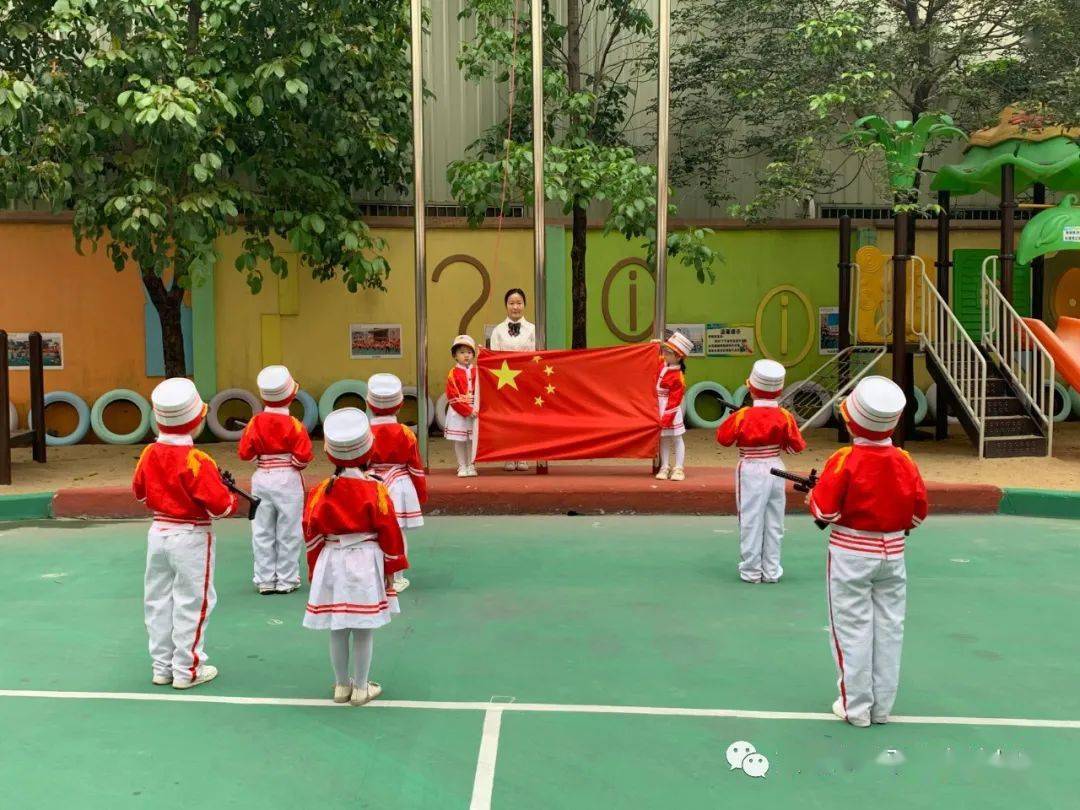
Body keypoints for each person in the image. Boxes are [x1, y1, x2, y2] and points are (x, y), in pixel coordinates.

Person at [808, 376, 927, 728]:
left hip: (851, 553)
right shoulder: (905, 460)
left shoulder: (845, 459)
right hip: (894, 553)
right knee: (890, 629)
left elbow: (824, 512)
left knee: (851, 628)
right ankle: (882, 707)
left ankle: (856, 707)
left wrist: (810, 498)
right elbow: (918, 513)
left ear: (851, 420)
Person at [133, 378, 238, 689]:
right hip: (191, 535)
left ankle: (161, 666)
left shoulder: (149, 453)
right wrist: (228, 493)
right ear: (196, 420)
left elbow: (140, 493)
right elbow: (221, 508)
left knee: (157, 600)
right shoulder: (198, 461)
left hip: (158, 532)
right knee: (193, 601)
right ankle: (187, 669)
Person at [303, 408, 409, 706]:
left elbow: (310, 533)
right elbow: (390, 530)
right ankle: (361, 688)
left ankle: (340, 686)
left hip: (331, 557)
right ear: (367, 450)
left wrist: (314, 569)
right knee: (363, 627)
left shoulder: (320, 490)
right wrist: (393, 567)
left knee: (338, 625)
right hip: (365, 559)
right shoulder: (375, 489)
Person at [716, 359, 806, 583]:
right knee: (774, 520)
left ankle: (751, 570)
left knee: (750, 518)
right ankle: (771, 570)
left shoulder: (742, 415)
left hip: (751, 468)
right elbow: (796, 447)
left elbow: (724, 439)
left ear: (751, 387)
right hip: (776, 466)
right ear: (780, 390)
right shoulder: (785, 416)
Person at [237, 365, 313, 595]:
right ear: (291, 395)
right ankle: (287, 580)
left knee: (261, 530)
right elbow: (303, 456)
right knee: (289, 531)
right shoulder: (295, 426)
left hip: (262, 477)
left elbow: (245, 453)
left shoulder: (254, 423)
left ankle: (265, 579)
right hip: (288, 478)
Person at [366, 372, 427, 593]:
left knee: (371, 531)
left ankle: (376, 575)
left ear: (368, 403)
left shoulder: (364, 432)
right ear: (400, 404)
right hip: (400, 484)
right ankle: (397, 576)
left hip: (369, 483)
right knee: (397, 531)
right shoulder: (406, 433)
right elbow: (415, 467)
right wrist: (420, 494)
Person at [489, 288, 536, 471]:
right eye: (511, 303)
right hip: (504, 381)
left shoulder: (533, 329)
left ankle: (523, 455)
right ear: (506, 306)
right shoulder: (497, 331)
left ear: (524, 305)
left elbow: (536, 356)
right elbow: (493, 357)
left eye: (519, 303)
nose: (515, 307)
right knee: (507, 419)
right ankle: (508, 455)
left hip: (525, 381)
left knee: (524, 419)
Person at [655, 331, 693, 481]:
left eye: (668, 353)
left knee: (677, 438)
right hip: (659, 406)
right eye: (665, 351)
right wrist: (655, 346)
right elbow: (654, 358)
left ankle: (678, 468)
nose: (665, 355)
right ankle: (665, 466)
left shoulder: (678, 377)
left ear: (678, 357)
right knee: (663, 439)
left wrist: (667, 418)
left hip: (671, 410)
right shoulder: (663, 364)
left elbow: (674, 400)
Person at [445, 334, 479, 477]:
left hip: (475, 411)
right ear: (455, 355)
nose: (466, 355)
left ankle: (472, 465)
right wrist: (466, 410)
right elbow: (452, 395)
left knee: (473, 440)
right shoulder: (452, 373)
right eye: (462, 352)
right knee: (459, 440)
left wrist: (475, 409)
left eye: (469, 352)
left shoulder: (477, 371)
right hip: (458, 412)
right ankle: (462, 465)